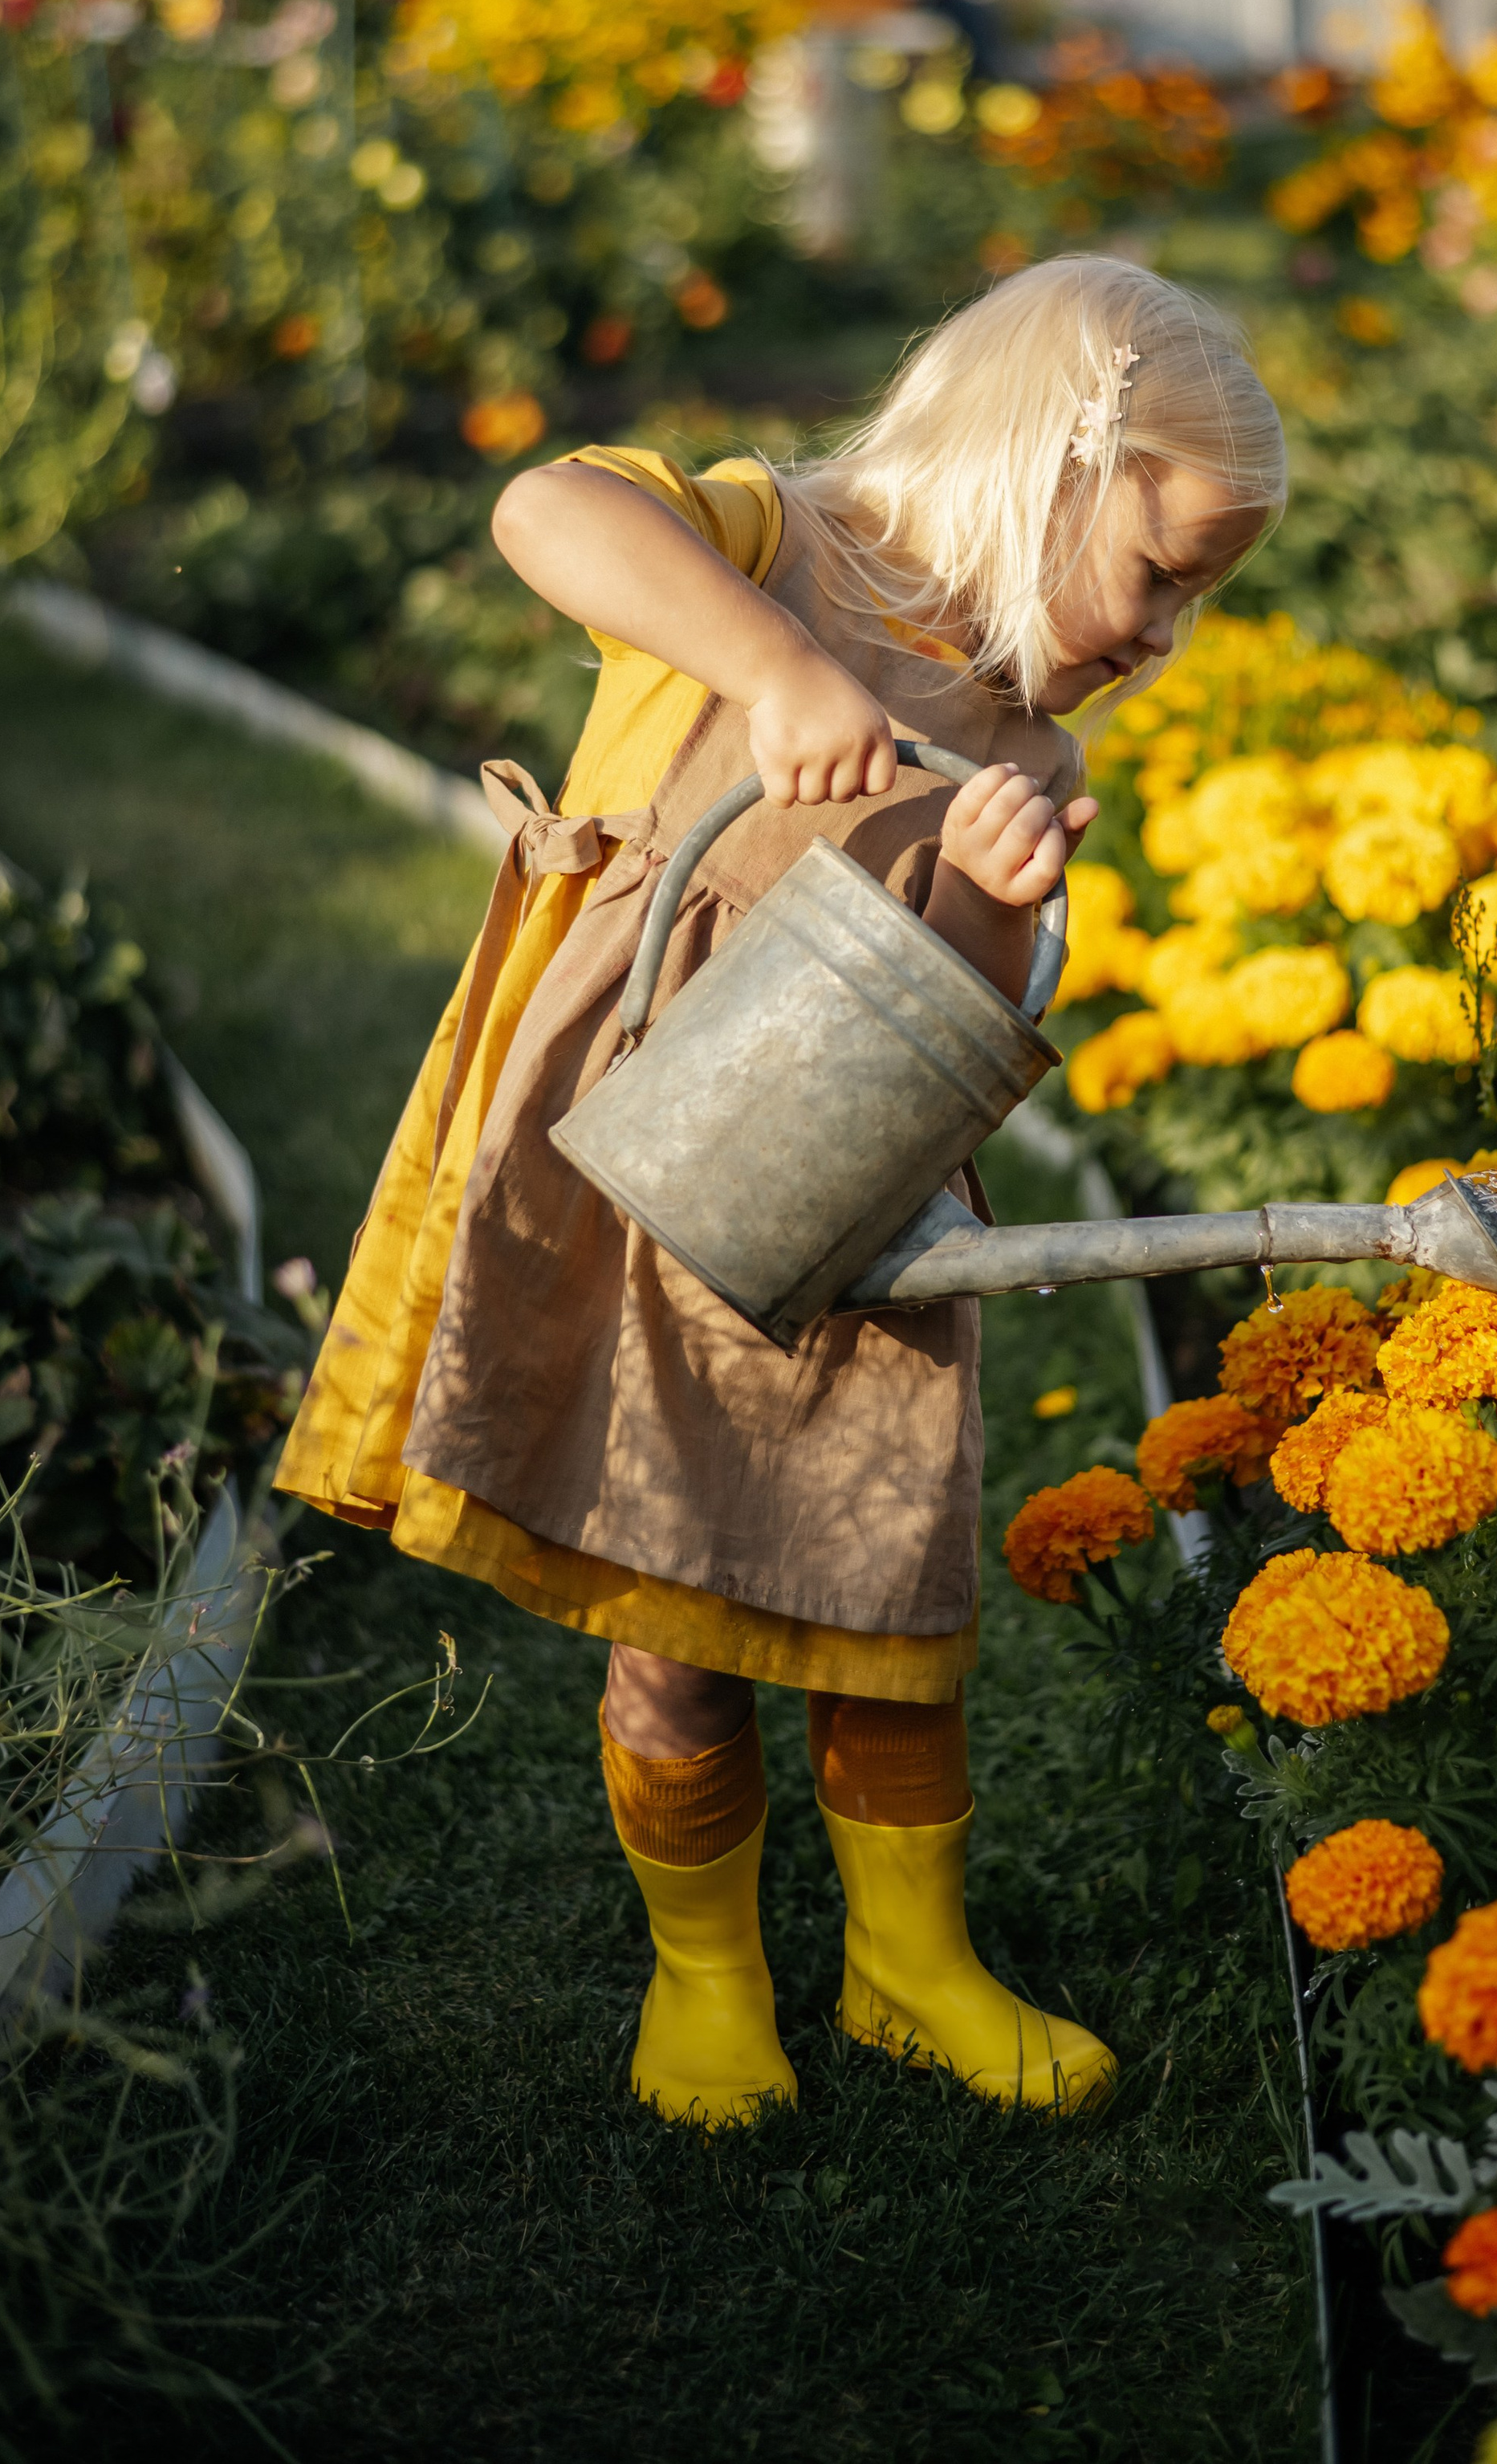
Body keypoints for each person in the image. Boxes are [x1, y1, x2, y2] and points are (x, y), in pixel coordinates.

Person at [275, 252, 1285, 2127]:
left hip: (862, 1216)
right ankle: (707, 1970)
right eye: (1159, 574)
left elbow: (972, 1017)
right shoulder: (763, 549)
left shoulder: (1023, 749)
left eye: (1200, 598)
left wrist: (991, 886)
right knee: (679, 1602)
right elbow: (538, 505)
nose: (1165, 634)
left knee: (884, 1605)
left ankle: (912, 1965)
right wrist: (765, 658)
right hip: (651, 1175)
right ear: (1040, 477)